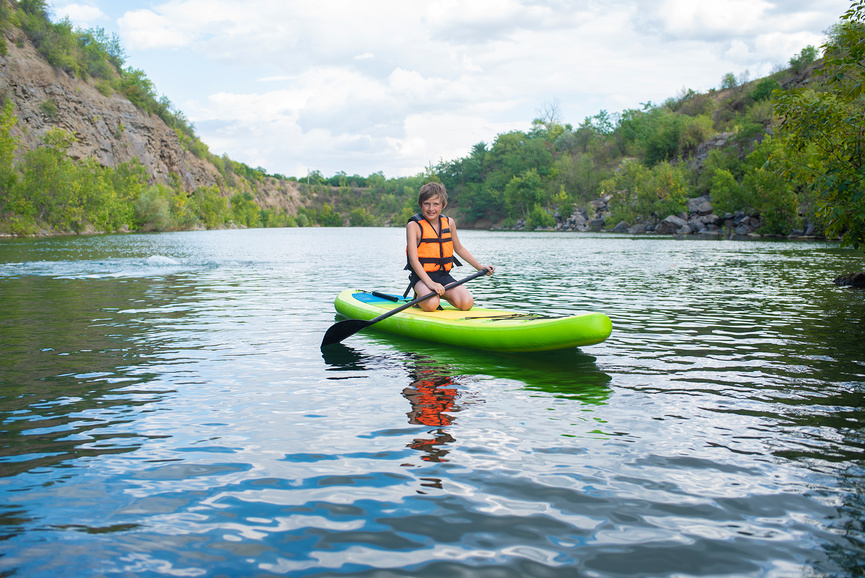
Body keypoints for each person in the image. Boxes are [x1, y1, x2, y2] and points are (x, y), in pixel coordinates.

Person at [405, 182, 494, 312]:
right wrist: (430, 283)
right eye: (427, 204)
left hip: (443, 276)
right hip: (421, 277)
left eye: (436, 204)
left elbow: (459, 249)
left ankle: (438, 294)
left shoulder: (449, 223)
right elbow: (413, 260)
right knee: (431, 305)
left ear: (443, 205)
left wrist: (480, 267)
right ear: (420, 204)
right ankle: (420, 297)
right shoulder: (414, 226)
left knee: (466, 303)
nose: (431, 208)